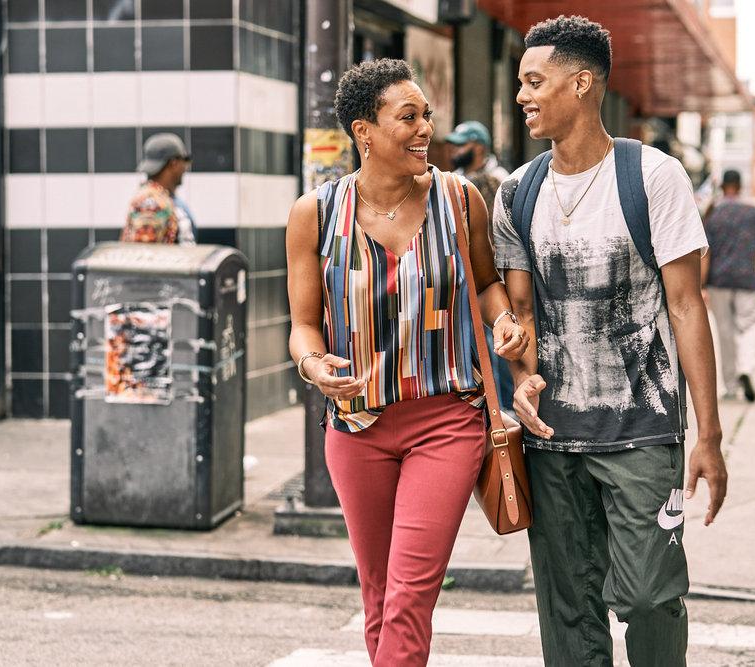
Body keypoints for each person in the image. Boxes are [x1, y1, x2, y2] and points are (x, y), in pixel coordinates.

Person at [493, 16, 726, 666]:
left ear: (581, 83)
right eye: (520, 83)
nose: (521, 95)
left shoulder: (653, 177)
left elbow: (687, 306)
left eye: (534, 81)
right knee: (569, 612)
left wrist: (708, 435)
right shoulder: (516, 194)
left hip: (642, 432)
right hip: (552, 439)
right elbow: (522, 312)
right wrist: (521, 377)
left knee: (651, 597)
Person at [286, 59, 529, 666]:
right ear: (363, 131)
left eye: (427, 116)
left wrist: (502, 319)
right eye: (409, 117)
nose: (426, 129)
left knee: (410, 595)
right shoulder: (315, 214)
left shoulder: (459, 199)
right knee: (379, 593)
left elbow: (485, 284)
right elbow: (303, 325)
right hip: (356, 427)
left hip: (446, 420)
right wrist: (313, 364)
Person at [446, 120, 515, 411]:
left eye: (462, 144)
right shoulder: (454, 182)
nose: (454, 150)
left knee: (499, 343)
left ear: (479, 146)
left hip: (495, 278)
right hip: (463, 278)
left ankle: (506, 409)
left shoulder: (501, 180)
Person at [701, 169, 755, 403]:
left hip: (719, 281)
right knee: (750, 325)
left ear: (723, 186)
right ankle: (746, 367)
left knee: (725, 333)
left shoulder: (713, 214)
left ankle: (731, 386)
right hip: (747, 279)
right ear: (740, 186)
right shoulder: (753, 212)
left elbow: (705, 253)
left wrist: (702, 285)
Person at [120, 133, 196, 245]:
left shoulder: (160, 197)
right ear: (173, 163)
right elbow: (143, 251)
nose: (185, 168)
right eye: (184, 161)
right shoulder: (150, 204)